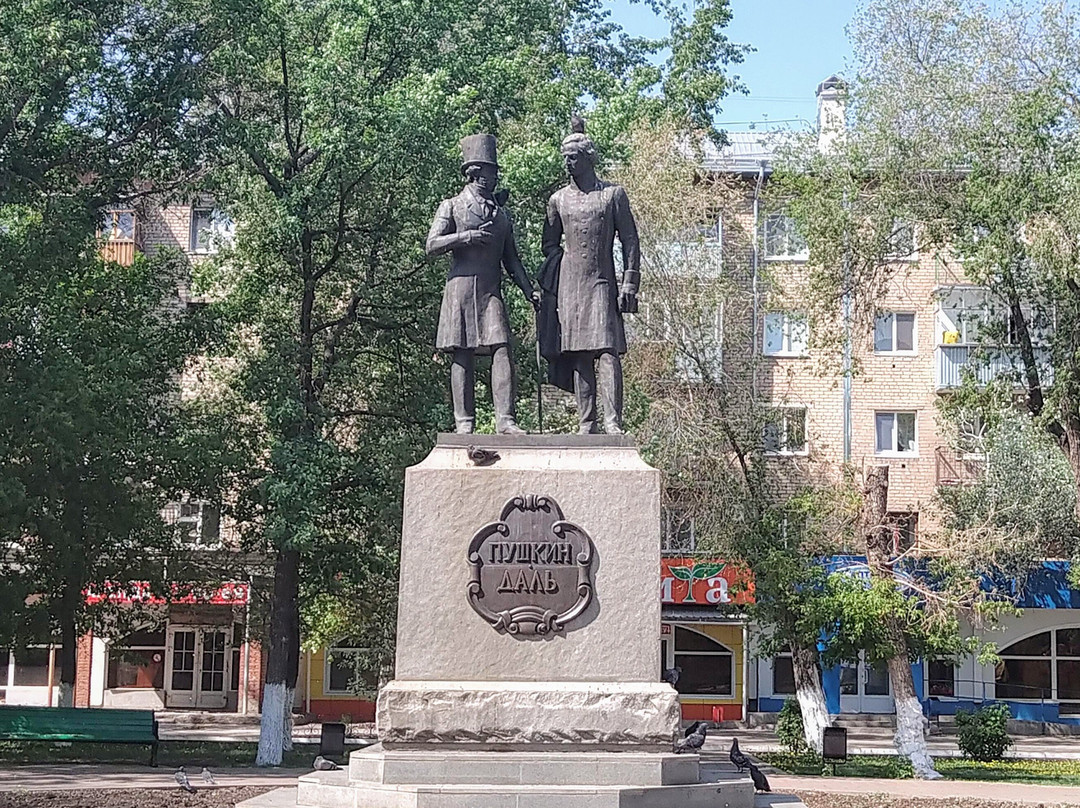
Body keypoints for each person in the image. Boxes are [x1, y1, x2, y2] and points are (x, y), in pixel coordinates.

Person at [426, 134, 539, 434]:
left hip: (491, 291)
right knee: (461, 351)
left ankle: (506, 420)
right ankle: (464, 422)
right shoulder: (452, 206)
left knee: (502, 348)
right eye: (490, 172)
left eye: (495, 173)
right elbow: (431, 245)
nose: (494, 177)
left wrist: (529, 290)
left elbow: (511, 259)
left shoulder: (502, 215)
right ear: (474, 172)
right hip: (460, 290)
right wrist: (465, 237)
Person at [540, 117, 641, 434]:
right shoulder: (557, 200)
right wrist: (560, 271)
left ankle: (612, 422)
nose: (568, 163)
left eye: (573, 157)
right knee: (578, 353)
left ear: (588, 157)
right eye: (565, 158)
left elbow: (630, 239)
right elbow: (549, 244)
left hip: (602, 282)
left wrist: (630, 281)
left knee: (607, 350)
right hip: (571, 287)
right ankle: (586, 423)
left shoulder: (612, 195)